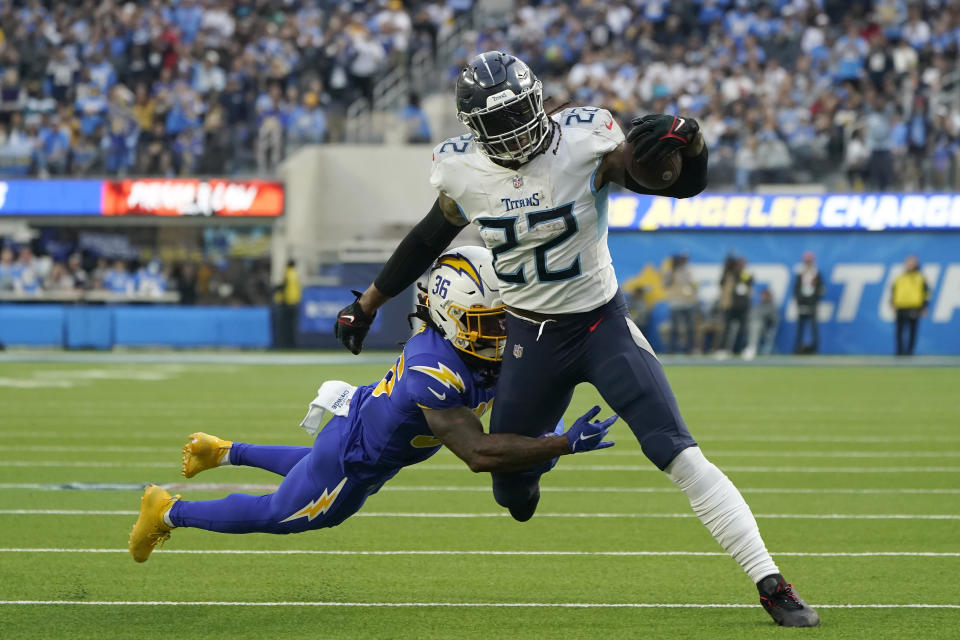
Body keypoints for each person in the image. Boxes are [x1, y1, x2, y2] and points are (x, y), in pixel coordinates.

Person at [333, 52, 818, 627]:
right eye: (499, 121)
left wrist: (691, 143)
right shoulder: (462, 171)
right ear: (473, 130)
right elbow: (426, 238)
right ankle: (535, 467)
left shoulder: (586, 139)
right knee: (512, 495)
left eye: (520, 112)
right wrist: (368, 303)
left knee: (676, 450)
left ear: (538, 101)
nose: (514, 129)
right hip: (531, 338)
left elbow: (677, 184)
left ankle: (770, 582)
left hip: (599, 324)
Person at [128, 248, 616, 562]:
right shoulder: (437, 371)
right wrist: (562, 443)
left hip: (360, 416)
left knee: (313, 463)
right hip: (359, 455)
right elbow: (479, 455)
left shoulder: (456, 339)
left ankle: (225, 451)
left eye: (503, 320)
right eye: (490, 323)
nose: (502, 333)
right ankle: (168, 511)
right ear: (453, 317)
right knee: (282, 512)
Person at [891, 254, 929, 356]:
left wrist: (925, 306)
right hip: (901, 307)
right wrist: (893, 303)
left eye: (912, 262)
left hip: (914, 307)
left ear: (916, 264)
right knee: (899, 331)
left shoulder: (920, 278)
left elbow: (926, 293)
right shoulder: (899, 277)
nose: (910, 264)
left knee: (912, 331)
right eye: (908, 262)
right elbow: (894, 291)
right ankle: (899, 352)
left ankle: (910, 353)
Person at [665, 253, 697, 353]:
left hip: (688, 303)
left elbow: (693, 284)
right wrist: (673, 272)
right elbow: (666, 284)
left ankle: (690, 349)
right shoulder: (671, 271)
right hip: (675, 303)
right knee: (674, 328)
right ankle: (672, 349)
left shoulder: (689, 270)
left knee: (690, 327)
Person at [793, 251, 824, 354]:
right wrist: (799, 301)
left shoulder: (817, 274)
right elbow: (796, 289)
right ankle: (798, 348)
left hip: (812, 303)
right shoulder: (800, 274)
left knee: (814, 327)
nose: (808, 263)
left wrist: (815, 300)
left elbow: (821, 289)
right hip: (802, 303)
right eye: (806, 261)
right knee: (800, 327)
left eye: (809, 261)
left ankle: (815, 348)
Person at [273, 259, 302, 349]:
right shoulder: (296, 274)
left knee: (284, 326)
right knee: (293, 326)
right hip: (295, 302)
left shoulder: (287, 274)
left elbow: (283, 288)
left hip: (286, 303)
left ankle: (284, 344)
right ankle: (293, 344)